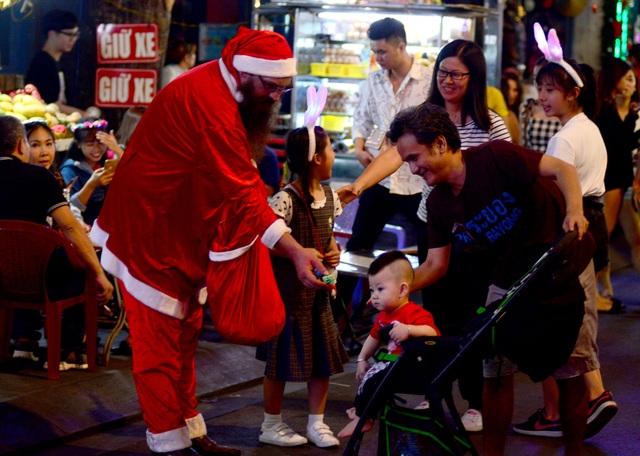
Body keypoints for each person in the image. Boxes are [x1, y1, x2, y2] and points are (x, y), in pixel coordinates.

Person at [89, 26, 332, 456]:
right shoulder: (210, 104)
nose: (277, 97)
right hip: (149, 233)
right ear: (246, 73)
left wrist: (289, 244)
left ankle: (192, 431)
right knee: (158, 348)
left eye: (283, 88)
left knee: (184, 339)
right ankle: (170, 444)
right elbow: (242, 189)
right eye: (271, 87)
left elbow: (245, 183)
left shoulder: (227, 88)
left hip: (184, 231)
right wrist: (293, 249)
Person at [389, 102, 594, 456]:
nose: (412, 168)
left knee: (570, 368)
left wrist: (575, 210)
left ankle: (574, 451)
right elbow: (436, 264)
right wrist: (394, 287)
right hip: (509, 276)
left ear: (439, 144)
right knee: (493, 367)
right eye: (407, 160)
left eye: (414, 157)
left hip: (562, 262)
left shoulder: (496, 156)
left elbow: (562, 168)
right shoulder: (438, 202)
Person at [339, 39, 511, 433]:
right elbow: (392, 154)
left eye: (457, 74)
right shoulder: (424, 116)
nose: (448, 80)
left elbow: (502, 176)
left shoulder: (491, 124)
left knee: (472, 316)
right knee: (434, 312)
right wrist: (359, 185)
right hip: (432, 222)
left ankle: (474, 401)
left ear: (475, 77)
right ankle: (435, 390)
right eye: (443, 73)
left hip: (478, 235)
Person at [512, 34, 617, 441]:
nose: (542, 95)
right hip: (593, 225)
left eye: (551, 89)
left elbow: (558, 188)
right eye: (540, 87)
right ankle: (588, 397)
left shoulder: (566, 137)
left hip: (575, 227)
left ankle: (585, 399)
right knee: (581, 311)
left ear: (573, 93)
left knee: (570, 314)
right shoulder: (587, 128)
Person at [257, 121, 349, 448]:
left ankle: (317, 423)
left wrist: (334, 251)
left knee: (321, 361)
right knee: (279, 363)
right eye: (330, 149)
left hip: (320, 297)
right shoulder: (284, 199)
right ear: (317, 159)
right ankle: (270, 424)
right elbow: (266, 242)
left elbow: (331, 238)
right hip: (289, 298)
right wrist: (296, 253)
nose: (335, 155)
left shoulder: (329, 196)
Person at [0, 116, 113, 362]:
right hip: (37, 278)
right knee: (80, 268)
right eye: (34, 144)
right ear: (21, 145)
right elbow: (69, 225)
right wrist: (99, 274)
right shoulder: (39, 177)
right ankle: (68, 350)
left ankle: (24, 343)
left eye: (48, 144)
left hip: (3, 277)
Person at [348, 17, 432, 254]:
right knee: (357, 246)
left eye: (382, 52)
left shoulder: (429, 79)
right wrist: (358, 147)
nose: (378, 58)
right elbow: (361, 119)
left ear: (401, 46)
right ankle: (342, 293)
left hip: (418, 179)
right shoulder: (373, 80)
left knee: (429, 247)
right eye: (374, 52)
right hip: (379, 175)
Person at [336, 250, 440, 439]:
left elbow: (433, 333)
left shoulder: (414, 313)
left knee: (374, 379)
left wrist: (409, 330)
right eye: (372, 289)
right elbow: (374, 338)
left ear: (402, 290)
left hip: (411, 368)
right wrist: (361, 358)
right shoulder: (385, 315)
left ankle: (364, 417)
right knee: (369, 377)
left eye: (380, 289)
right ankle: (363, 411)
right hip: (393, 364)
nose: (374, 296)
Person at [595, 57, 640, 311]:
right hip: (609, 182)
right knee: (603, 235)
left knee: (635, 238)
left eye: (633, 77)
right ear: (615, 82)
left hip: (626, 182)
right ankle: (598, 292)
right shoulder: (605, 113)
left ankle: (603, 290)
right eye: (627, 77)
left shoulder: (630, 113)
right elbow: (615, 149)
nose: (633, 81)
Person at [25, 9, 86, 116]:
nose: (73, 39)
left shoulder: (59, 61)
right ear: (52, 34)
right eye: (69, 34)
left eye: (76, 35)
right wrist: (83, 114)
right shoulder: (41, 62)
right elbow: (49, 103)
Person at [59, 118, 114, 226]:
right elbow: (69, 207)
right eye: (89, 143)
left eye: (100, 142)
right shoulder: (69, 170)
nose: (96, 148)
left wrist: (116, 148)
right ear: (78, 144)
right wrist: (91, 185)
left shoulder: (109, 163)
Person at [501, 71, 523, 144]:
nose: (511, 94)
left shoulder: (519, 112)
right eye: (508, 89)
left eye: (515, 90)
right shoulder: (504, 114)